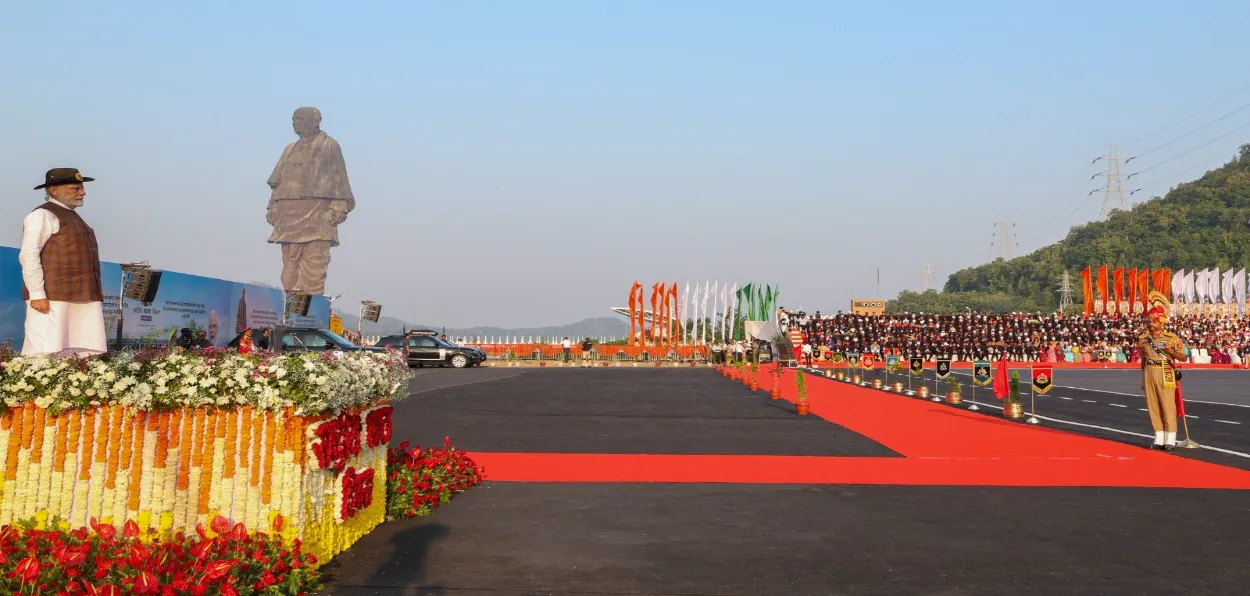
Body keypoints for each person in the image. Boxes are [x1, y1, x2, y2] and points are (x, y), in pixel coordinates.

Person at [19, 168, 107, 356]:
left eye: (81, 188)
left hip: (82, 297)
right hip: (52, 298)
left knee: (77, 352)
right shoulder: (42, 215)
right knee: (42, 351)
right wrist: (36, 294)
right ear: (54, 190)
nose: (82, 193)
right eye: (75, 188)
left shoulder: (73, 216)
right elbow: (29, 255)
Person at [266, 107, 355, 295]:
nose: (295, 122)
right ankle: (293, 309)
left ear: (315, 121)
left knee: (315, 264)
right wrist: (272, 206)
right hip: (288, 217)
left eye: (299, 118)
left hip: (318, 214)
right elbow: (277, 184)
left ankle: (310, 311)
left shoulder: (329, 145)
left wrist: (339, 206)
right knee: (290, 265)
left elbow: (340, 178)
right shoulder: (290, 149)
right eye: (293, 119)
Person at [1137, 291, 1188, 450]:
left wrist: (1170, 351)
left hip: (1165, 371)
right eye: (1149, 320)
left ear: (1161, 322)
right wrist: (1143, 378)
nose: (1151, 323)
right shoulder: (1143, 339)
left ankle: (1170, 439)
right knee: (1153, 406)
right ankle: (1159, 437)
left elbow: (1183, 357)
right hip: (1149, 372)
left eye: (1154, 321)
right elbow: (1143, 359)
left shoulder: (1171, 338)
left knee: (1167, 406)